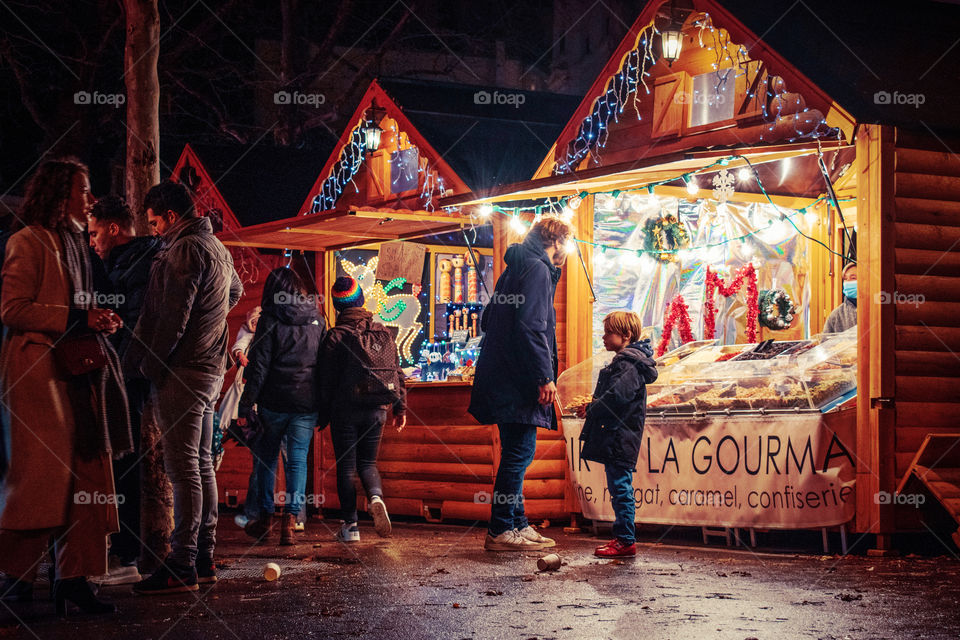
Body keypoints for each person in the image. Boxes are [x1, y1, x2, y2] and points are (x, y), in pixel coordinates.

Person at [0, 158, 129, 616]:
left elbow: (79, 303)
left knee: (88, 476)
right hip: (38, 373)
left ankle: (73, 578)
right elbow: (13, 308)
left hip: (77, 371)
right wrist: (78, 318)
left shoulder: (74, 244)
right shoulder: (27, 241)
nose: (90, 198)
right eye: (84, 189)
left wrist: (99, 318)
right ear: (60, 193)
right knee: (42, 480)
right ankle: (13, 578)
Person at [124, 180, 242, 595]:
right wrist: (210, 326)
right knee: (202, 464)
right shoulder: (217, 248)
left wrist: (150, 365)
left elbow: (173, 315)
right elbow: (235, 292)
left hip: (183, 370)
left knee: (184, 468)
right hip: (209, 369)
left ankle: (182, 562)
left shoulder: (185, 249)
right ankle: (203, 556)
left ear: (171, 216)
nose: (154, 229)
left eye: (156, 222)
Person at [468, 217, 573, 551]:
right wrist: (544, 376)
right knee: (519, 453)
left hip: (503, 375)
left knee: (516, 451)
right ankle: (500, 529)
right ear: (556, 241)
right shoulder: (538, 269)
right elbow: (532, 327)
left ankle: (517, 523)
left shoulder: (515, 267)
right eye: (566, 245)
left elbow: (489, 319)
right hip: (519, 379)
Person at [86, 195, 161, 585]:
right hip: (121, 374)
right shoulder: (124, 261)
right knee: (118, 461)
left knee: (125, 462)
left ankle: (127, 553)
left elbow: (134, 324)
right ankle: (122, 549)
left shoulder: (138, 264)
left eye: (96, 233)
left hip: (129, 377)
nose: (93, 241)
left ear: (114, 229)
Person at [237, 268, 325, 545]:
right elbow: (324, 365)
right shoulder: (317, 319)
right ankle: (290, 522)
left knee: (267, 460)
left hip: (273, 401)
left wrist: (245, 403)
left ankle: (265, 519)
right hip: (306, 402)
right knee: (297, 461)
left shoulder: (270, 320)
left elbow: (259, 366)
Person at [318, 276, 405, 543]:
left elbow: (325, 380)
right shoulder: (381, 331)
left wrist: (322, 414)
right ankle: (376, 497)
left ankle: (350, 526)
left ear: (337, 306)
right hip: (377, 408)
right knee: (368, 463)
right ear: (361, 301)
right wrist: (399, 407)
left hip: (345, 410)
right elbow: (397, 372)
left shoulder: (335, 336)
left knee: (346, 467)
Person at [577, 311, 658, 558]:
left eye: (608, 332)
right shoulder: (629, 360)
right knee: (618, 485)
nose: (603, 337)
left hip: (620, 435)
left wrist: (592, 408)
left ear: (624, 335)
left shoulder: (626, 363)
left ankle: (625, 540)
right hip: (621, 434)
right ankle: (622, 537)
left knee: (620, 487)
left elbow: (617, 397)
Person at [823, 263, 857, 333]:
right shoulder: (836, 315)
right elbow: (825, 341)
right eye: (845, 279)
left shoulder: (876, 310)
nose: (848, 282)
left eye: (853, 278)